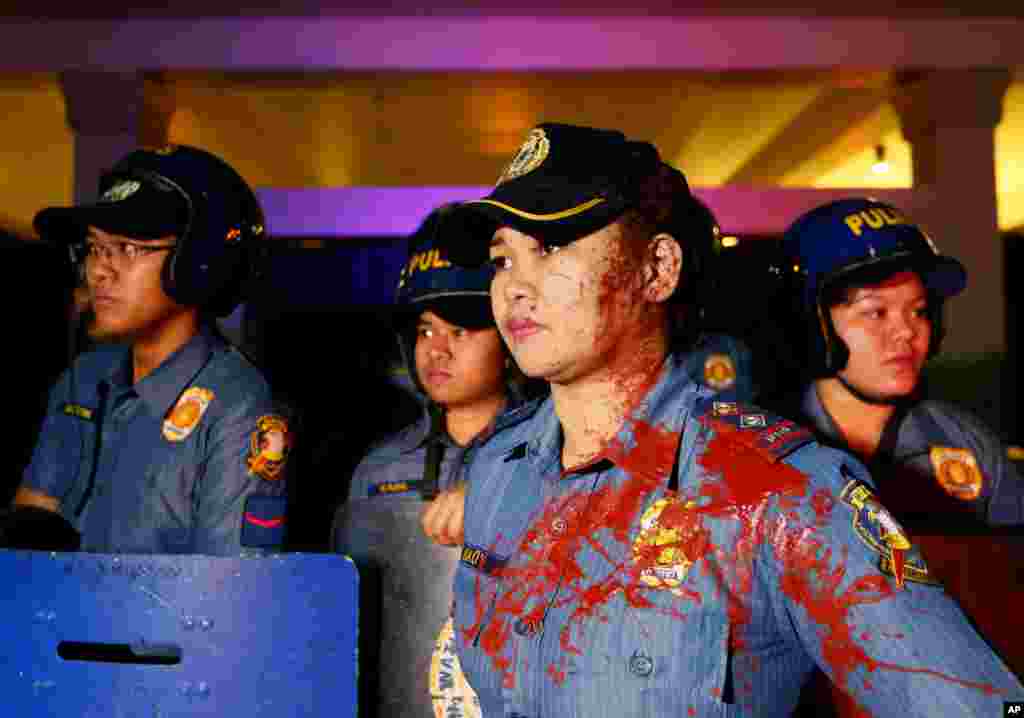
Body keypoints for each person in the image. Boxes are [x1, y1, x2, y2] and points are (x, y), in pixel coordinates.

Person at [430, 123, 1022, 717]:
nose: (515, 288)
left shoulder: (776, 489)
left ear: (657, 269)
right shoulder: (497, 475)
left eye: (552, 248)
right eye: (502, 259)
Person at [778, 198, 1024, 710]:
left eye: (918, 310)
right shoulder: (763, 448)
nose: (906, 332)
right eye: (875, 312)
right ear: (813, 324)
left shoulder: (969, 448)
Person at [11, 144, 290, 555]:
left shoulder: (238, 407)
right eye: (94, 247)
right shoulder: (83, 380)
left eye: (128, 248)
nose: (100, 270)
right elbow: (27, 544)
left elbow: (231, 597)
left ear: (197, 263)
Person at [333, 204, 531, 718]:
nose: (437, 351)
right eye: (425, 331)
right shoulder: (378, 469)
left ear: (508, 338)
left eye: (461, 332)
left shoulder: (550, 457)